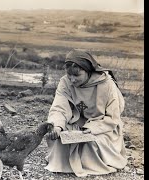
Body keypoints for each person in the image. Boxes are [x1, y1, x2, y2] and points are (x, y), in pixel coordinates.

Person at [45, 49, 127, 177]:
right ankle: (65, 162)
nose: (72, 79)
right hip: (77, 122)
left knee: (93, 142)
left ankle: (89, 164)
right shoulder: (65, 82)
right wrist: (56, 126)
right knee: (58, 136)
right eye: (69, 75)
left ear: (88, 71)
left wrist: (92, 128)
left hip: (103, 126)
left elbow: (113, 117)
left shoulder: (107, 84)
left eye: (76, 75)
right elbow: (59, 108)